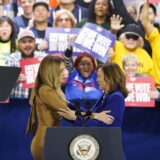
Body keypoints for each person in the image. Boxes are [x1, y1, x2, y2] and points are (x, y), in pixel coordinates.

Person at [26, 55, 77, 160]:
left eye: (64, 70)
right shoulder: (45, 90)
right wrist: (95, 116)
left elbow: (71, 108)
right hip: (45, 141)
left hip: (52, 137)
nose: (65, 73)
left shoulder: (53, 89)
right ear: (52, 71)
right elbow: (68, 112)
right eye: (61, 70)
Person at [61, 46, 102, 126]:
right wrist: (69, 49)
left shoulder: (99, 75)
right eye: (82, 64)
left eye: (89, 64)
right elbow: (67, 61)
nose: (86, 67)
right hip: (71, 117)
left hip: (94, 117)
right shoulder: (71, 73)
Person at [6, 29, 46, 99]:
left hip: (40, 102)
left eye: (30, 41)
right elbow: (3, 86)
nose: (27, 44)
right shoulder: (11, 59)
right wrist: (13, 79)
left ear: (35, 43)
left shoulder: (44, 58)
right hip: (18, 103)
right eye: (23, 42)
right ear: (18, 44)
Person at [85, 62, 128, 127]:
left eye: (99, 76)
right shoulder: (106, 94)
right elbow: (93, 114)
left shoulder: (116, 97)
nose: (97, 80)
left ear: (108, 77)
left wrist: (77, 120)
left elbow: (105, 126)